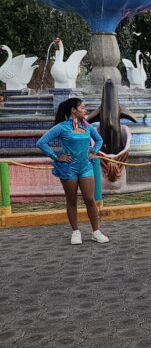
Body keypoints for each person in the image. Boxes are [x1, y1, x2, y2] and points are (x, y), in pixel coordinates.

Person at [36, 98, 109, 245]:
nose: (85, 110)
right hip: (69, 169)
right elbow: (41, 142)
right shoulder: (62, 127)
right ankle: (76, 232)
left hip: (85, 167)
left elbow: (99, 140)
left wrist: (94, 151)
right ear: (73, 110)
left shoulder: (87, 126)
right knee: (72, 200)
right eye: (82, 107)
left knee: (90, 199)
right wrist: (56, 157)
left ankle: (96, 232)